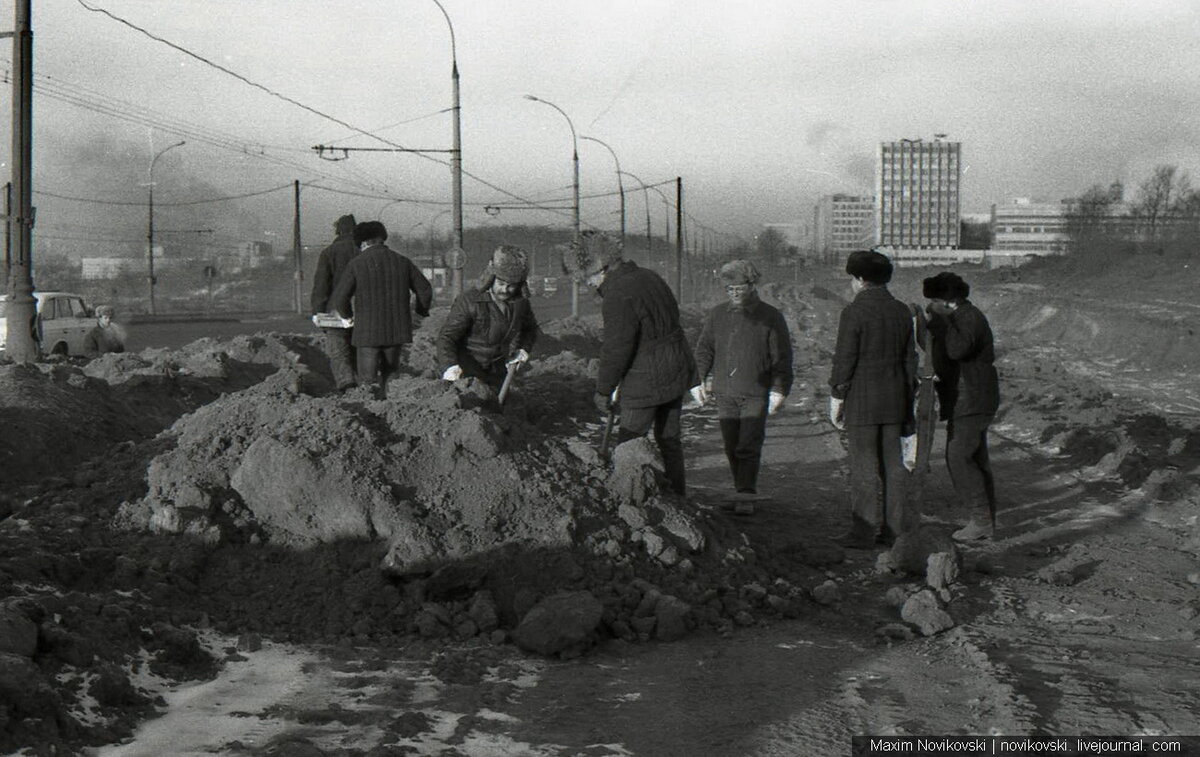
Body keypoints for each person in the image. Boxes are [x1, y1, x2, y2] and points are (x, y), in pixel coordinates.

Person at [562, 231, 697, 496]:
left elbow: (617, 348)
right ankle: (679, 498)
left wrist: (604, 389)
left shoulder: (617, 294)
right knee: (669, 440)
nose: (588, 285)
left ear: (601, 266)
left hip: (646, 377)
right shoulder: (650, 277)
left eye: (587, 278)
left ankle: (631, 503)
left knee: (629, 442)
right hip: (677, 367)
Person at [828, 250, 917, 548]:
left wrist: (837, 395)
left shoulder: (853, 312)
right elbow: (909, 361)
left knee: (863, 466)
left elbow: (845, 359)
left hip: (862, 401)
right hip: (895, 399)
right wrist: (908, 398)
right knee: (893, 465)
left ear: (860, 279)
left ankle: (863, 532)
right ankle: (896, 531)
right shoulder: (902, 311)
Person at [691, 259, 794, 514]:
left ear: (752, 285)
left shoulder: (771, 317)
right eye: (729, 289)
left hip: (756, 392)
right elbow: (705, 349)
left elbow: (781, 356)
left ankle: (746, 494)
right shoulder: (717, 315)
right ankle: (741, 488)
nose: (734, 293)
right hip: (725, 392)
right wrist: (698, 378)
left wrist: (779, 388)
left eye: (739, 288)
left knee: (748, 444)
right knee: (731, 444)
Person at [922, 271, 1000, 541]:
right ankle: (985, 521)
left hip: (972, 397)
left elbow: (956, 350)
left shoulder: (969, 317)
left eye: (935, 300)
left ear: (948, 300)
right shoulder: (961, 317)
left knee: (959, 457)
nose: (932, 304)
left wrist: (941, 321)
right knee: (975, 458)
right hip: (970, 396)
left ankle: (981, 522)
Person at [330, 220, 433, 393]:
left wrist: (348, 317)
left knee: (368, 382)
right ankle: (392, 409)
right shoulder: (402, 261)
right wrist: (419, 314)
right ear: (381, 238)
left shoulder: (356, 264)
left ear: (363, 243)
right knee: (391, 376)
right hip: (396, 330)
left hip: (366, 333)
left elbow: (340, 299)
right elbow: (425, 290)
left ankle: (372, 414)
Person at [436, 245, 539, 393]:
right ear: (491, 279)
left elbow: (530, 328)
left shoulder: (520, 303)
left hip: (497, 373)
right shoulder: (469, 301)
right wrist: (450, 367)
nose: (505, 290)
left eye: (511, 286)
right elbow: (446, 337)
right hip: (466, 375)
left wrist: (523, 350)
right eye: (501, 284)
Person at [310, 214, 360, 391]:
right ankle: (365, 385)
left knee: (338, 349)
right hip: (363, 309)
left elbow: (321, 286)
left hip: (335, 311)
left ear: (338, 230)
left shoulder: (329, 252)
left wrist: (318, 311)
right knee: (360, 348)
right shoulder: (364, 250)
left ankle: (347, 384)